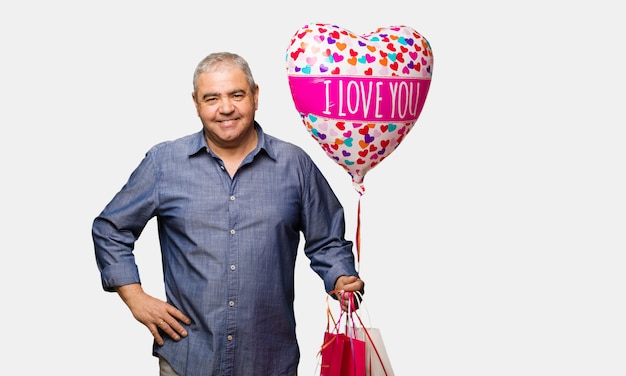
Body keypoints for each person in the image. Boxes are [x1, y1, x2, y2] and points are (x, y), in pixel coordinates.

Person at [92, 51, 364, 376]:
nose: (225, 108)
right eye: (212, 98)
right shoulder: (164, 163)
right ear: (196, 103)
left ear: (255, 96)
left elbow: (327, 241)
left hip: (269, 361)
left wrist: (341, 277)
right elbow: (111, 228)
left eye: (236, 94)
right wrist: (133, 295)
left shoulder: (295, 165)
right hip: (188, 360)